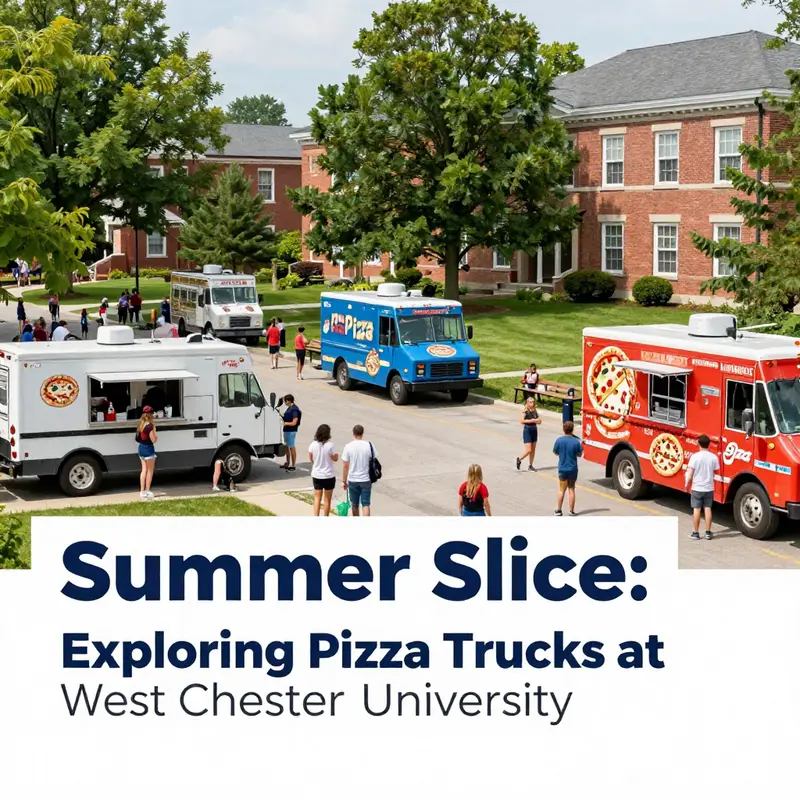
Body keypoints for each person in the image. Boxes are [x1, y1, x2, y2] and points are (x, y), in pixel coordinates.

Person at [685, 434, 720, 541]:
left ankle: (696, 533)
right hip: (709, 488)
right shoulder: (714, 457)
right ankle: (708, 533)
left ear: (698, 443)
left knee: (696, 509)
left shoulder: (695, 457)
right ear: (709, 444)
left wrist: (686, 484)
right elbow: (715, 472)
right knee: (708, 509)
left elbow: (690, 473)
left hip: (697, 488)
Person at [342, 425, 378, 517]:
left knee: (354, 504)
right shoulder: (369, 445)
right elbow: (374, 458)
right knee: (366, 504)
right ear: (362, 433)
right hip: (365, 479)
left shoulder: (348, 446)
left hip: (353, 479)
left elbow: (345, 465)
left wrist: (344, 480)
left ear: (353, 433)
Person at [553, 421, 584, 517]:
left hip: (562, 468)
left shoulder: (559, 440)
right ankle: (571, 511)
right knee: (571, 489)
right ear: (572, 430)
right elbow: (579, 454)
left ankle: (558, 510)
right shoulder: (576, 441)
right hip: (573, 469)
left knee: (562, 490)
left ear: (564, 429)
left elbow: (556, 453)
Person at [308, 424, 338, 516]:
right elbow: (335, 458)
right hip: (329, 475)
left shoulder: (313, 444)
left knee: (317, 497)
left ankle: (316, 516)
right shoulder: (330, 445)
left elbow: (311, 458)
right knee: (327, 499)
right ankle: (325, 517)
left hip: (317, 474)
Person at [136, 406, 157, 500]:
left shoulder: (141, 424)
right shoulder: (149, 426)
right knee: (150, 471)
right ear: (149, 414)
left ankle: (142, 491)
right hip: (148, 449)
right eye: (152, 413)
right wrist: (155, 432)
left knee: (143, 470)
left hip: (141, 448)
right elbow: (153, 439)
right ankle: (148, 491)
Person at [516, 395, 542, 472]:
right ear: (527, 403)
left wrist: (538, 421)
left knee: (533, 449)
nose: (532, 403)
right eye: (530, 402)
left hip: (534, 430)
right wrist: (532, 421)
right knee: (529, 450)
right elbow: (521, 421)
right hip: (527, 430)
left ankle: (530, 465)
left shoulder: (534, 410)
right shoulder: (525, 411)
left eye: (533, 402)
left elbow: (539, 420)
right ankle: (519, 459)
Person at [280, 394, 301, 471]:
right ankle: (287, 462)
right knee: (286, 447)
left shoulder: (294, 410)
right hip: (286, 430)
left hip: (291, 431)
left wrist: (286, 423)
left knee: (291, 447)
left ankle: (293, 464)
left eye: (285, 401)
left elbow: (294, 422)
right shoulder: (289, 408)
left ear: (288, 401)